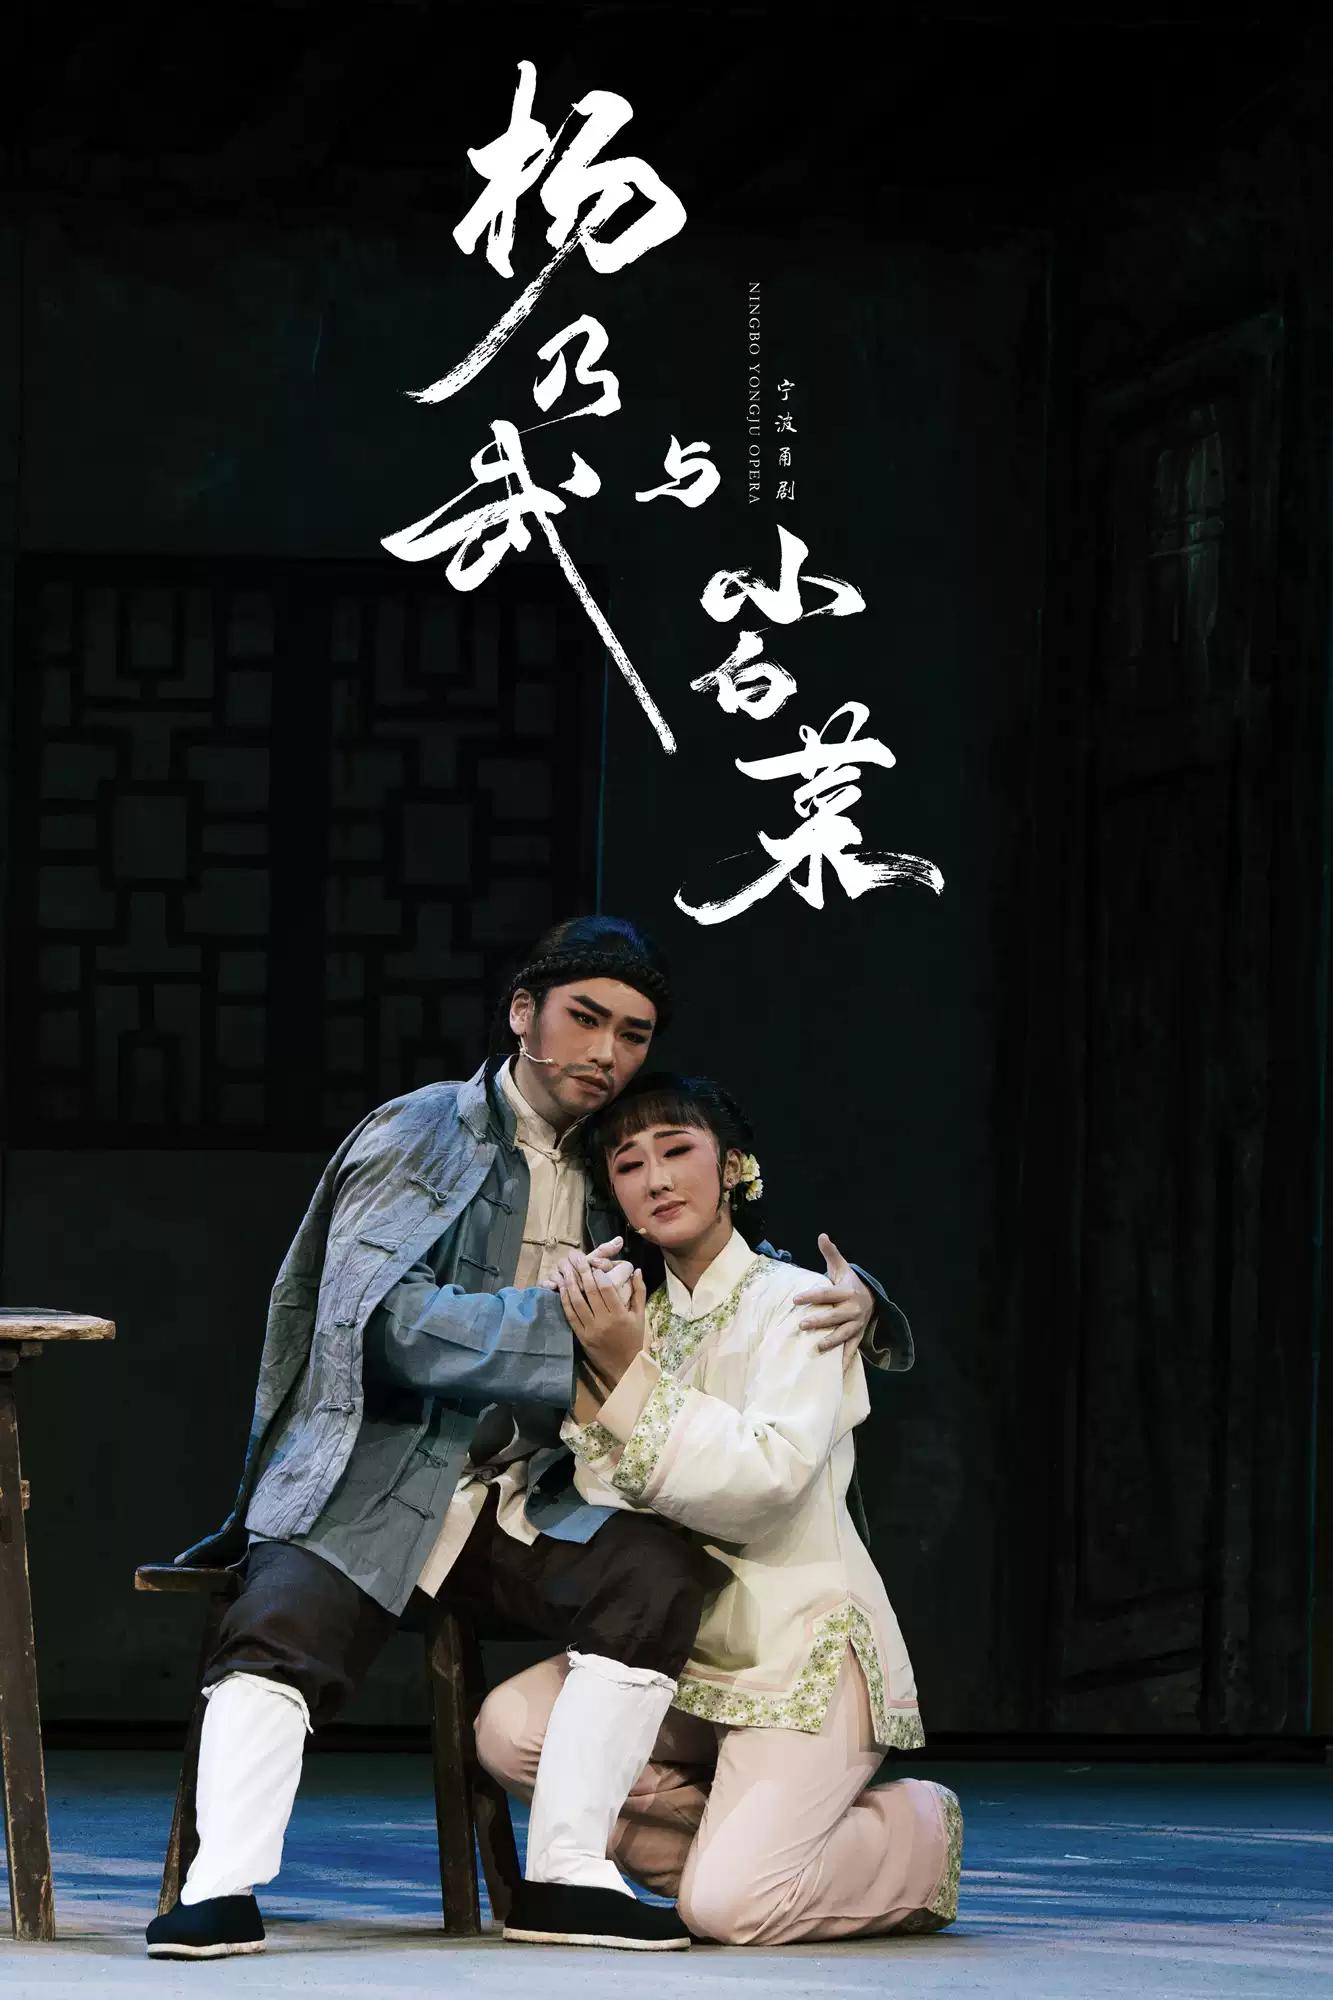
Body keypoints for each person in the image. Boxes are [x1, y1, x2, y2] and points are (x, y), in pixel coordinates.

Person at [145, 915, 910, 1960]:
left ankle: (565, 1876)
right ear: (522, 1014)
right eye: (584, 1019)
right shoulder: (425, 1131)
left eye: (632, 1034)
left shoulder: (611, 1160)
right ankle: (220, 1888)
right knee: (282, 1618)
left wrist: (866, 1304)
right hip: (380, 1473)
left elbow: (721, 1252)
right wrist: (568, 1332)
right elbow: (380, 1320)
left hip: (525, 1493)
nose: (606, 1052)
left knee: (651, 1571)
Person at [477, 1070, 961, 1948]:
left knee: (729, 1913)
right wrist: (599, 1362)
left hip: (794, 1653)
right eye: (628, 1165)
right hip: (676, 1651)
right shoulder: (628, 1316)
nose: (656, 1179)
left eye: (676, 1151)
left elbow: (760, 1488)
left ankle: (913, 1837)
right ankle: (747, 1850)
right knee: (512, 1732)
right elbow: (601, 1495)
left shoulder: (801, 1304)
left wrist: (625, 1376)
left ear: (732, 1168)